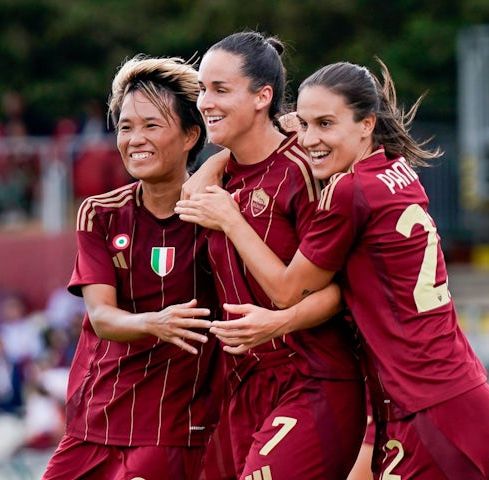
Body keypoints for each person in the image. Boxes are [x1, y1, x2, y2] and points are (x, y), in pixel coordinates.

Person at [177, 59, 489, 478]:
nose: (310, 139)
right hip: (442, 396)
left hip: (428, 403)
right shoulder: (395, 170)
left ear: (366, 124)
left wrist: (230, 218)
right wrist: (219, 161)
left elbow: (287, 289)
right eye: (307, 125)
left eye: (325, 124)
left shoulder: (348, 192)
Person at [191, 31, 365, 479]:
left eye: (220, 90)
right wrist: (217, 162)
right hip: (245, 383)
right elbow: (186, 199)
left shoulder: (305, 167)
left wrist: (231, 214)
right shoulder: (222, 174)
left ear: (262, 96)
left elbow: (338, 289)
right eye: (202, 89)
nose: (205, 101)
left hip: (311, 377)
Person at [42, 55, 223, 480]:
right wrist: (156, 322)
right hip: (94, 418)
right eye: (126, 127)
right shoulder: (100, 214)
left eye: (151, 125)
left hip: (173, 427)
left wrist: (218, 162)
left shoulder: (218, 213)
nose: (134, 139)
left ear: (190, 136)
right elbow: (101, 317)